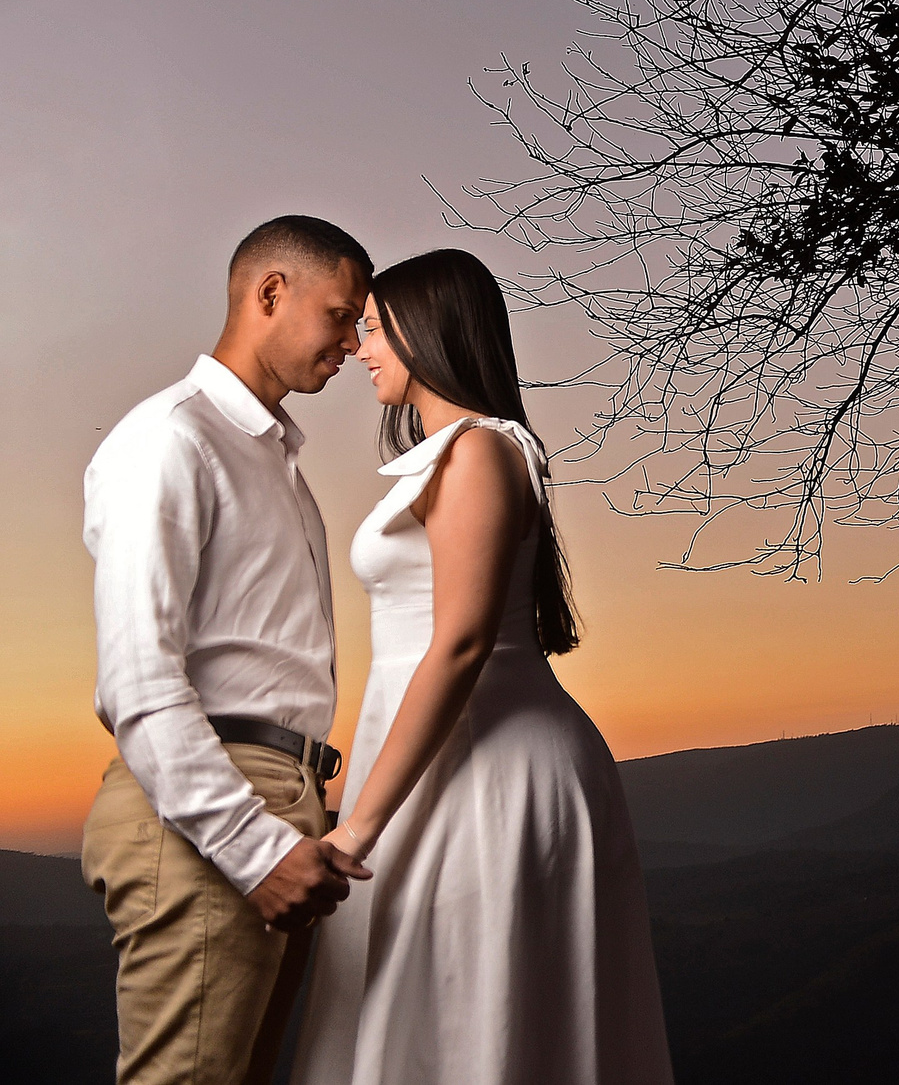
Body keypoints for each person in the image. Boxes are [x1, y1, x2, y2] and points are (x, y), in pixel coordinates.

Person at [290, 248, 673, 1085]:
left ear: (429, 331)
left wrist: (357, 827)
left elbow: (461, 642)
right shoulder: (462, 453)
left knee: (473, 1013)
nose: (362, 347)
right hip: (432, 759)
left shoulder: (478, 452)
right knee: (425, 1004)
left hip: (486, 768)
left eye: (377, 327)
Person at [82, 215, 377, 1085]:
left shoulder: (267, 452)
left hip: (278, 803)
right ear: (270, 294)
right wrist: (256, 847)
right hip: (211, 815)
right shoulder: (171, 438)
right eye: (340, 313)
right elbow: (138, 679)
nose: (353, 342)